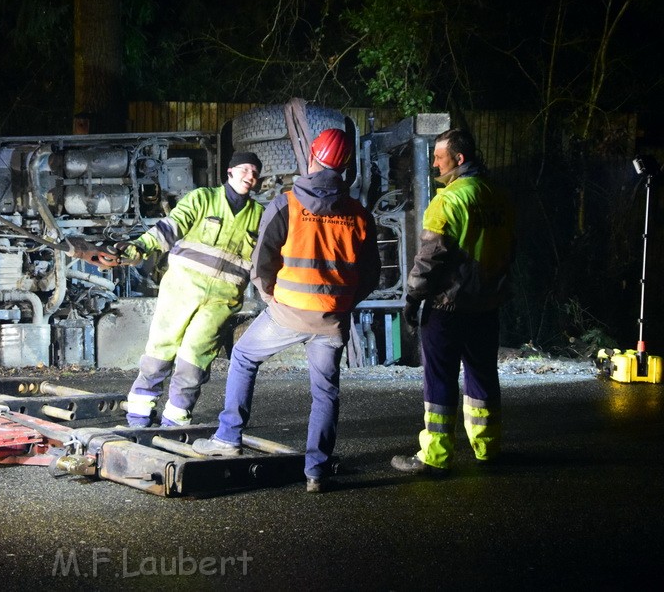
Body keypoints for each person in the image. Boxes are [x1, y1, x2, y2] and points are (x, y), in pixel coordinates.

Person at [192, 128, 380, 493]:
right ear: (345, 165)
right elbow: (371, 274)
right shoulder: (358, 214)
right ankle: (317, 472)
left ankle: (228, 437)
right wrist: (343, 304)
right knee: (325, 393)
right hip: (331, 320)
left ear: (312, 157)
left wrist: (270, 297)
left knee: (244, 357)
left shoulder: (287, 204)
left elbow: (261, 262)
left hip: (287, 312)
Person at [391, 127, 516, 476]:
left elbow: (429, 258)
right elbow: (509, 251)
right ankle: (487, 449)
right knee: (482, 377)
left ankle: (435, 457)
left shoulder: (448, 200)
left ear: (458, 159)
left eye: (439, 157)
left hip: (447, 308)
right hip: (486, 307)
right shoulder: (499, 197)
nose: (433, 163)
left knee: (440, 380)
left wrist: (414, 297)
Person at [123, 152, 265, 427]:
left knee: (194, 358)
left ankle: (175, 420)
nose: (250, 176)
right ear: (230, 171)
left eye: (255, 173)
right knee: (160, 349)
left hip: (221, 301)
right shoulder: (202, 199)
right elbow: (170, 227)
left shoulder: (259, 216)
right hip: (182, 288)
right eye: (246, 170)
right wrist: (140, 246)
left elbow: (266, 258)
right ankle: (138, 416)